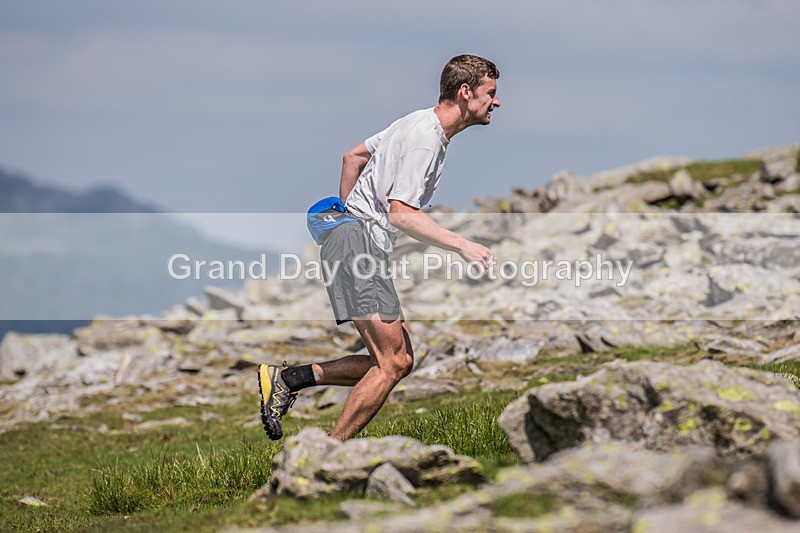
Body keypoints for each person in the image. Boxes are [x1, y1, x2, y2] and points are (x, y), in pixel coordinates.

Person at [259, 54, 500, 441]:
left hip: (354, 241)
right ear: (465, 92)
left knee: (398, 360)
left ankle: (290, 380)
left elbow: (352, 157)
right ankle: (327, 455)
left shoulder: (414, 121)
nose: (497, 102)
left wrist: (349, 218)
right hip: (357, 246)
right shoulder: (426, 141)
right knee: (392, 363)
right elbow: (401, 214)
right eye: (491, 93)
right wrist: (462, 246)